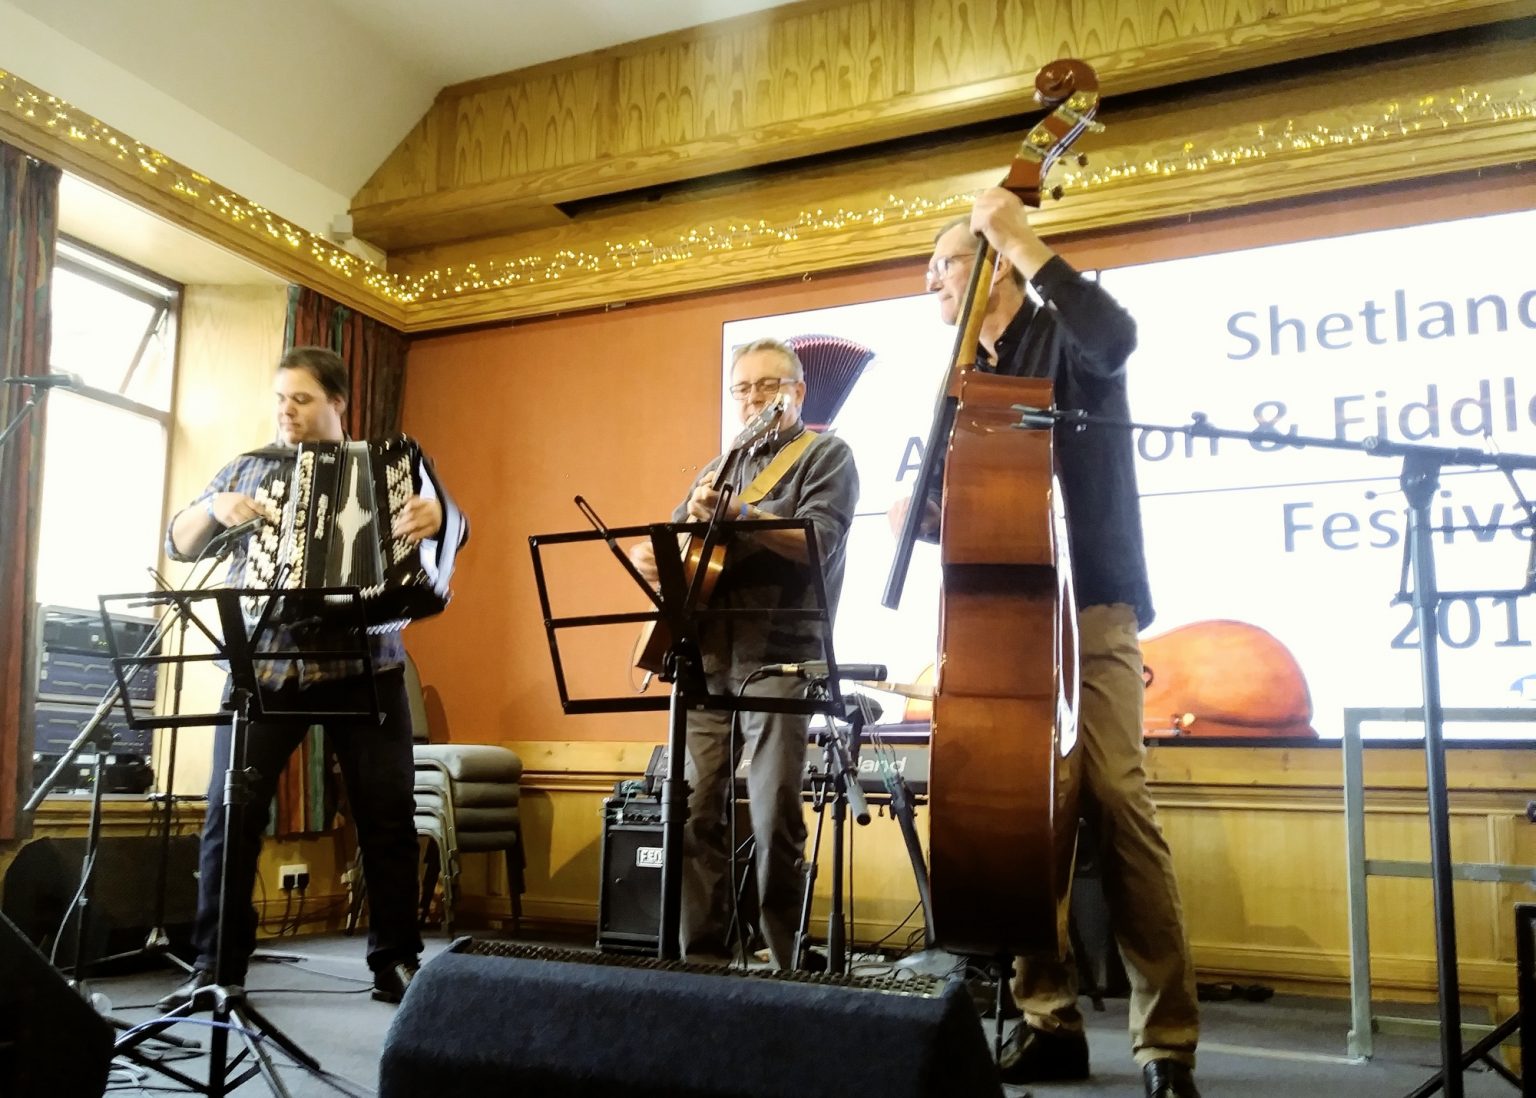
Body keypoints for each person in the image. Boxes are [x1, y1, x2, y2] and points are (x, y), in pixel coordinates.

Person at [897, 192, 1201, 1098]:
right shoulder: (962, 374)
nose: (932, 285)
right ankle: (1048, 1017)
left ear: (988, 263)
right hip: (1004, 619)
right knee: (1019, 816)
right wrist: (920, 514)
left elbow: (1117, 340)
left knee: (1117, 799)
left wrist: (1022, 238)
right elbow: (976, 512)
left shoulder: (1063, 330)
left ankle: (1167, 1042)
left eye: (945, 265)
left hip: (1094, 604)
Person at [156, 346, 462, 1010]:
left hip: (366, 663)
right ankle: (217, 966)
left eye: (299, 399)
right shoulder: (249, 468)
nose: (285, 412)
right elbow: (177, 541)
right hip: (266, 666)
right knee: (230, 816)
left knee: (387, 816)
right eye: (279, 399)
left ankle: (395, 961)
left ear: (337, 403)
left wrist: (440, 520)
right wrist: (218, 510)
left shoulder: (391, 464)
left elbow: (454, 525)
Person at [628, 338, 859, 968]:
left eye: (768, 385)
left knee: (775, 811)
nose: (755, 398)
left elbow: (819, 542)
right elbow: (681, 555)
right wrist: (652, 559)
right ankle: (703, 957)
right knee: (696, 809)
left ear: (798, 393)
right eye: (744, 388)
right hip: (708, 659)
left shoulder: (825, 455)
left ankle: (782, 956)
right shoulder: (719, 464)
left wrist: (741, 513)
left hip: (781, 657)